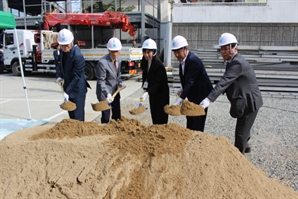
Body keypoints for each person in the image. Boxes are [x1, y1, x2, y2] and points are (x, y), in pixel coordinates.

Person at [200, 33, 263, 154]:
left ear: (235, 48)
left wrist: (208, 99)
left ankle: (239, 160)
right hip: (244, 100)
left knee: (240, 134)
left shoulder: (237, 63)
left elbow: (224, 81)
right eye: (221, 49)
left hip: (250, 102)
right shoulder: (232, 61)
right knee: (243, 129)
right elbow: (228, 82)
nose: (223, 52)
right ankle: (246, 145)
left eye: (226, 48)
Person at [171, 35, 213, 132]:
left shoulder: (193, 61)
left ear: (186, 49)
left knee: (197, 121)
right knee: (190, 118)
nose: (176, 54)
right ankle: (189, 136)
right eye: (175, 52)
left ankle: (197, 142)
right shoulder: (183, 60)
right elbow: (187, 78)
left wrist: (179, 100)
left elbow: (190, 82)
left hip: (201, 94)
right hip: (193, 93)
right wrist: (182, 87)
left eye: (178, 51)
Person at [56, 28, 91, 121]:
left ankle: (80, 134)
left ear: (71, 42)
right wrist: (61, 76)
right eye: (62, 45)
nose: (64, 48)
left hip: (77, 89)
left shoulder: (77, 56)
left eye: (66, 45)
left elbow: (77, 77)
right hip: (68, 86)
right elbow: (62, 66)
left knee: (78, 117)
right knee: (71, 115)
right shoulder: (63, 52)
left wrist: (67, 91)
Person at [95, 37, 125, 124]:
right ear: (108, 50)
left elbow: (118, 76)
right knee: (105, 117)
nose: (115, 54)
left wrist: (120, 83)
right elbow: (101, 81)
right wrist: (107, 94)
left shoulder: (119, 59)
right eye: (112, 51)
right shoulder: (102, 63)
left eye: (117, 51)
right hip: (105, 93)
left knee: (117, 115)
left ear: (119, 50)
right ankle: (104, 133)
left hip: (115, 91)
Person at [140, 38, 169, 125]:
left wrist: (147, 92)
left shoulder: (158, 65)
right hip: (152, 92)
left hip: (161, 94)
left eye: (149, 52)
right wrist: (145, 88)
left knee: (160, 115)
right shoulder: (145, 61)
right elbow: (145, 75)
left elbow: (158, 83)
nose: (146, 54)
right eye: (145, 52)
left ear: (154, 52)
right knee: (154, 113)